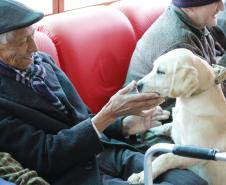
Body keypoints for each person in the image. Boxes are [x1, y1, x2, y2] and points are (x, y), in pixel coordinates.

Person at [0, 0, 208, 185]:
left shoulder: (42, 62)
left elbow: (83, 117)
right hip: (71, 174)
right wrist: (109, 114)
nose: (34, 47)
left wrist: (125, 125)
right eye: (22, 42)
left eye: (32, 36)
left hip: (106, 152)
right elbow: (44, 156)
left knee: (192, 181)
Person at [124, 0, 226, 113]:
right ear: (189, 7)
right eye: (215, 1)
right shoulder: (179, 46)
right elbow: (209, 99)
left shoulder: (195, 18)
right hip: (160, 119)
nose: (222, 7)